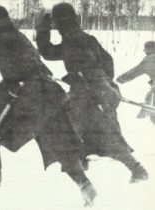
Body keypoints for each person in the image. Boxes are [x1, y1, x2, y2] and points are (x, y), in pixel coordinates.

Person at [0, 6, 97, 206]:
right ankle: (85, 185)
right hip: (49, 96)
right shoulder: (18, 37)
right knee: (58, 144)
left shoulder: (5, 41)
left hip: (28, 97)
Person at [35, 3, 148, 184]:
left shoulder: (71, 40)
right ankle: (131, 168)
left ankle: (135, 169)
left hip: (88, 94)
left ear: (60, 22)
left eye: (55, 22)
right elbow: (107, 61)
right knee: (101, 131)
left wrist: (42, 29)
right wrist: (105, 82)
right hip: (102, 92)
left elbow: (47, 52)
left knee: (71, 127)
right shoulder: (87, 38)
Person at [117, 41, 155, 124]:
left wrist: (121, 79)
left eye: (145, 49)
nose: (144, 51)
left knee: (151, 110)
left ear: (149, 49)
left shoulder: (149, 60)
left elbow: (135, 71)